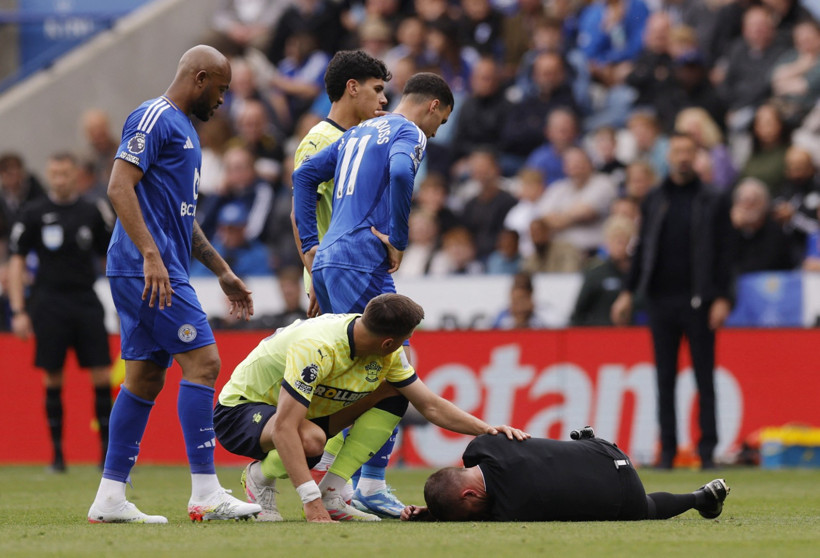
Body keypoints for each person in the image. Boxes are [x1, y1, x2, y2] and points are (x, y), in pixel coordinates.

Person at [86, 45, 261, 524]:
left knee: (143, 379)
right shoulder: (154, 116)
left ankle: (109, 498)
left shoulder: (186, 130)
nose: (223, 101)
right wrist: (149, 255)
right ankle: (205, 491)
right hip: (146, 268)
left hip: (159, 266)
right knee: (204, 362)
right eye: (221, 89)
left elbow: (181, 216)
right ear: (200, 78)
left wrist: (221, 268)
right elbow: (118, 186)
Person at [214, 293, 528, 523]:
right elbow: (284, 427)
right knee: (309, 440)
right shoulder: (317, 347)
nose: (408, 343)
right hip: (240, 411)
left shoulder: (384, 350)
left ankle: (332, 493)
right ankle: (260, 476)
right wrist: (309, 502)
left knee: (393, 393)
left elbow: (430, 406)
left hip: (301, 414)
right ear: (389, 342)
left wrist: (487, 429)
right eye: (407, 338)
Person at [292, 72, 454, 517]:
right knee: (389, 365)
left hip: (329, 261)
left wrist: (310, 246)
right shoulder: (410, 131)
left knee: (354, 370)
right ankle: (360, 484)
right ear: (434, 107)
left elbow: (304, 177)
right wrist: (399, 237)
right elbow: (402, 171)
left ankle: (335, 478)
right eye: (441, 122)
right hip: (360, 259)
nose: (437, 132)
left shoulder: (358, 131)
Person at [611, 132, 734, 471]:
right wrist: (627, 291)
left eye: (688, 151)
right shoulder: (654, 199)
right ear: (669, 156)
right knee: (664, 379)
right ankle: (667, 451)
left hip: (700, 302)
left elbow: (726, 253)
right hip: (660, 300)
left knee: (704, 378)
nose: (682, 157)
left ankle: (707, 451)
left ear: (696, 156)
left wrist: (723, 297)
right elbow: (642, 252)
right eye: (677, 150)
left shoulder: (714, 199)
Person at [7, 152, 113, 473]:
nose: (60, 180)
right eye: (55, 174)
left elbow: (112, 256)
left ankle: (106, 455)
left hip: (85, 299)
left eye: (66, 174)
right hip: (48, 303)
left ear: (75, 175)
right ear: (49, 175)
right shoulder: (33, 212)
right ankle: (57, 456)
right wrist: (18, 309)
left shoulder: (92, 211)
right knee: (53, 376)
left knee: (101, 374)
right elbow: (16, 261)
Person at [401, 432, 730, 522]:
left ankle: (702, 498)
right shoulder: (485, 445)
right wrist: (439, 508)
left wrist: (432, 515)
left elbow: (488, 508)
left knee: (646, 510)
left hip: (626, 494)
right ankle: (586, 439)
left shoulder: (510, 509)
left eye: (465, 516)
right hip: (604, 449)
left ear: (469, 497)